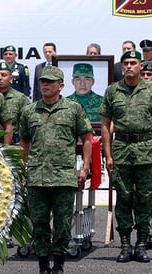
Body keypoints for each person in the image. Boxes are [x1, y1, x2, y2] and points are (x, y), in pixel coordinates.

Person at [19, 66, 92, 274]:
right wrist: (21, 169)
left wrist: (85, 168)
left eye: (50, 82)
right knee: (40, 225)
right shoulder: (29, 111)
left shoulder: (73, 109)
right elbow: (24, 142)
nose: (45, 85)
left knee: (62, 226)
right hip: (37, 177)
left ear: (60, 85)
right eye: (43, 81)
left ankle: (59, 265)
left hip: (64, 177)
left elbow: (86, 139)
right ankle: (43, 265)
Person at [100, 50, 152, 263]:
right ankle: (124, 245)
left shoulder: (150, 90)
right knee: (123, 197)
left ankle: (140, 245)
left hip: (147, 149)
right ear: (122, 67)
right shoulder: (113, 91)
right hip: (121, 149)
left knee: (145, 199)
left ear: (141, 66)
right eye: (126, 63)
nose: (129, 66)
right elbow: (105, 124)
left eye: (133, 62)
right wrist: (108, 153)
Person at [0, 61, 29, 143]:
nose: (0, 78)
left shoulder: (20, 98)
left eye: (4, 75)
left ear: (11, 78)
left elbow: (26, 124)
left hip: (14, 144)